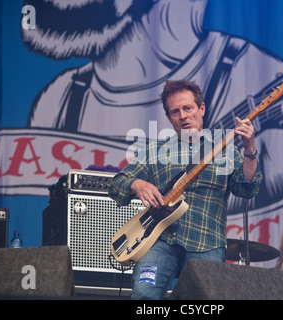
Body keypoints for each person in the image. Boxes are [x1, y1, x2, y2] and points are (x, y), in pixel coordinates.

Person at [108, 79, 263, 299]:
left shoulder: (225, 149)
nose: (183, 116)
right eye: (175, 111)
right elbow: (117, 184)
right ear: (169, 117)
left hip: (207, 241)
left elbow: (247, 188)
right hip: (159, 241)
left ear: (202, 108)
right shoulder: (156, 150)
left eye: (188, 108)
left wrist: (249, 149)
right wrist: (137, 184)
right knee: (143, 295)